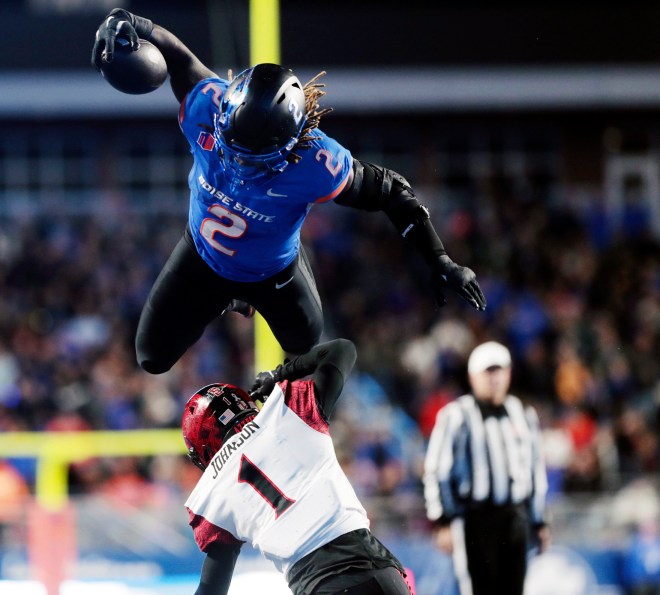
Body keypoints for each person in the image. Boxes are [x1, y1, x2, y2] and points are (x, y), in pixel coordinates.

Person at [92, 9, 487, 375]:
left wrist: (438, 258)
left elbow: (393, 192)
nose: (239, 164)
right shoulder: (208, 107)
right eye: (233, 149)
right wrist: (131, 24)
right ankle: (230, 297)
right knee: (151, 357)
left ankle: (262, 285)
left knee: (304, 344)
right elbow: (179, 58)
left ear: (290, 145)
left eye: (254, 157)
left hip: (272, 271)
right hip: (203, 256)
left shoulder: (315, 161)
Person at [181, 338, 413, 595]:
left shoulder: (212, 492)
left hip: (320, 584)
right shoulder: (287, 410)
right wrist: (280, 374)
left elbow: (211, 588)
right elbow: (342, 349)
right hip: (381, 569)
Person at [422, 340, 550, 595]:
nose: (494, 378)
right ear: (473, 376)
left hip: (515, 517)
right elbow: (437, 468)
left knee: (515, 588)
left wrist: (539, 520)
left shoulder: (523, 413)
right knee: (479, 588)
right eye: (487, 371)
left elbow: (535, 469)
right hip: (475, 519)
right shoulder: (457, 414)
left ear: (509, 373)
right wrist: (442, 519)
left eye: (499, 370)